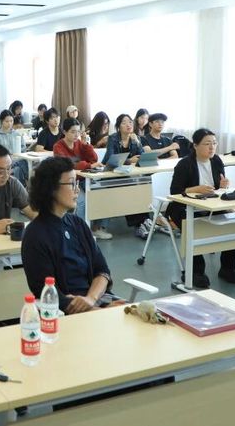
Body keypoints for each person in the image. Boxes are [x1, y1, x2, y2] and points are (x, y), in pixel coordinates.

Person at [22, 157, 124, 314]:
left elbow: (102, 271)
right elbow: (48, 294)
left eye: (77, 183)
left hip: (96, 300)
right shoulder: (35, 235)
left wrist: (91, 298)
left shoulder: (78, 224)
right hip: (66, 313)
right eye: (71, 184)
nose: (77, 190)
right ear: (51, 188)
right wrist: (98, 311)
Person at [166, 128, 235, 288]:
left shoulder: (217, 161)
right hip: (184, 206)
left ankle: (228, 268)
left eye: (214, 143)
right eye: (207, 144)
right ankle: (196, 271)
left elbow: (218, 187)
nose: (212, 147)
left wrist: (223, 185)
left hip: (211, 204)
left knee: (231, 224)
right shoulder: (185, 164)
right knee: (193, 228)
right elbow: (175, 191)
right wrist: (195, 189)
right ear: (195, 145)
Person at [53, 118, 112, 240]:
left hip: (84, 178)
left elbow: (94, 159)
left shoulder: (79, 144)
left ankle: (97, 228)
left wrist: (85, 144)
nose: (76, 135)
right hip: (67, 182)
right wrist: (88, 165)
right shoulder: (58, 146)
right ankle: (80, 232)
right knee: (81, 201)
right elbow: (66, 165)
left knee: (104, 194)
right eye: (73, 132)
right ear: (64, 132)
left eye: (78, 132)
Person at [103, 114, 151, 238]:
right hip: (111, 176)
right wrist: (129, 160)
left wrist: (138, 143)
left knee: (140, 187)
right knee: (131, 189)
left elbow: (142, 158)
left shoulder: (135, 138)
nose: (128, 125)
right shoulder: (113, 138)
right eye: (124, 123)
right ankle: (141, 223)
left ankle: (143, 222)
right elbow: (109, 159)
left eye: (130, 122)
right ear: (118, 127)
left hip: (128, 176)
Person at [0, 109, 28, 185]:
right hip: (3, 160)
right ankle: (22, 185)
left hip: (17, 159)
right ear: (1, 121)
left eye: (11, 121)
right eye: (7, 121)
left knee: (24, 163)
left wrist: (19, 155)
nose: (9, 123)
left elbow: (23, 148)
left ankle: (19, 184)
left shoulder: (16, 134)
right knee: (19, 168)